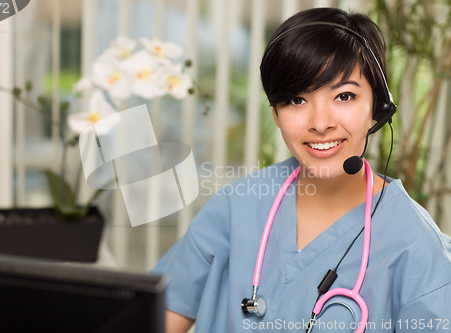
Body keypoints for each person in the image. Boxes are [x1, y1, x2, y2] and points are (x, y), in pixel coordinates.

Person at [152, 7, 451, 333]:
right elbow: (152, 318)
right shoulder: (240, 206)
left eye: (345, 96)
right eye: (297, 100)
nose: (321, 123)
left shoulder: (416, 246)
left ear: (377, 109)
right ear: (276, 114)